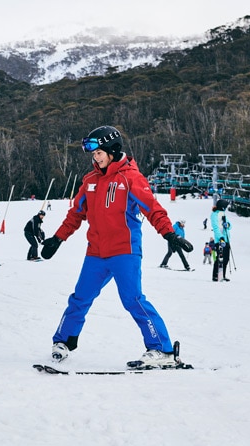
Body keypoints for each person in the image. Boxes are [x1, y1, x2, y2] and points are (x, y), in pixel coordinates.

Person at [41, 125, 193, 368]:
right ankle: (63, 342)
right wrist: (57, 239)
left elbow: (152, 209)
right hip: (96, 253)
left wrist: (170, 234)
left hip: (124, 251)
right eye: (93, 155)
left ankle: (162, 349)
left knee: (133, 299)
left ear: (112, 150)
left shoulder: (130, 178)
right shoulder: (90, 180)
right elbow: (75, 214)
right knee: (79, 298)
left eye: (99, 153)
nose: (95, 158)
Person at [211, 199, 232, 281]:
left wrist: (227, 224)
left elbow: (230, 226)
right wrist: (221, 237)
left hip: (226, 239)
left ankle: (222, 275)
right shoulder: (214, 215)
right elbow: (215, 228)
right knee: (220, 258)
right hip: (220, 240)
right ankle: (215, 275)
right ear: (222, 207)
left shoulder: (223, 214)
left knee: (226, 258)